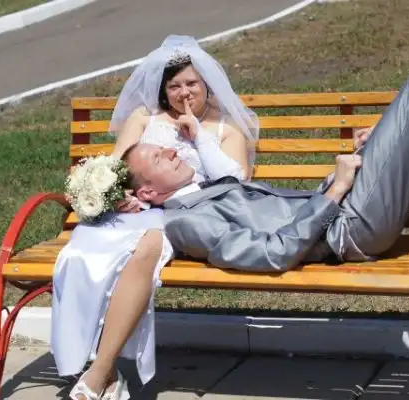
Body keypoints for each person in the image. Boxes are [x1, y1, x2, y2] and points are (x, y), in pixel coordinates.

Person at [122, 71, 409, 275]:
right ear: (147, 194)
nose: (170, 151)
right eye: (158, 157)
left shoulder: (200, 189)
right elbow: (271, 255)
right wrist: (335, 191)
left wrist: (374, 148)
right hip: (344, 231)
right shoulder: (185, 221)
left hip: (339, 208)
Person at [52, 35, 259, 400]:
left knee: (144, 250)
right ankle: (106, 373)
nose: (184, 93)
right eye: (175, 86)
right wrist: (119, 195)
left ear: (207, 83)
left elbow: (234, 189)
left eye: (192, 83)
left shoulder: (226, 130)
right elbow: (115, 166)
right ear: (164, 89)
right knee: (81, 253)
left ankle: (98, 373)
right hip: (131, 213)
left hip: (182, 217)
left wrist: (198, 139)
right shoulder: (144, 119)